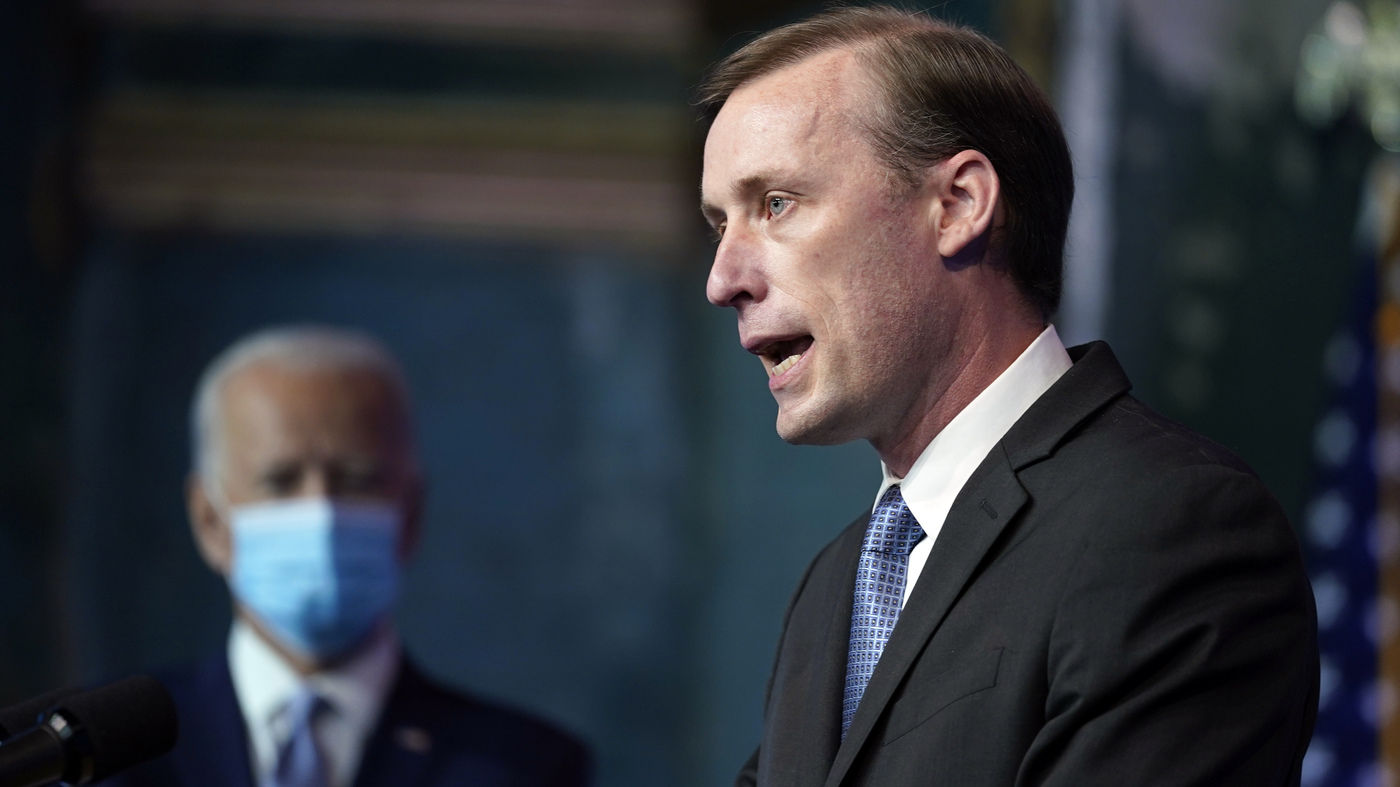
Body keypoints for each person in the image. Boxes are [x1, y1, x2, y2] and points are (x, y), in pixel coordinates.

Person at [699, 7, 1317, 786]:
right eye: (719, 225)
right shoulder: (835, 584)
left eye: (776, 204)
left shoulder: (1175, 526)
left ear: (959, 204)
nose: (722, 280)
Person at [101, 326, 590, 787]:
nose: (322, 512)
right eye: (280, 482)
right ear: (210, 521)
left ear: (410, 517)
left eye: (356, 481)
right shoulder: (108, 752)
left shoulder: (524, 767)